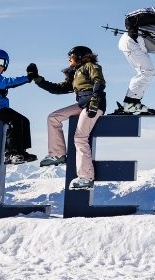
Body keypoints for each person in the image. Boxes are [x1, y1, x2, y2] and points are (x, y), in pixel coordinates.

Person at [27, 46, 106, 191]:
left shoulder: (90, 66)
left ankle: (86, 177)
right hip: (83, 104)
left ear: (81, 56)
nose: (69, 59)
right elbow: (57, 88)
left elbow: (99, 81)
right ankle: (57, 154)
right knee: (53, 117)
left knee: (80, 137)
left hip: (94, 103)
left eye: (72, 56)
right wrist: (38, 80)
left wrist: (95, 99)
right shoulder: (76, 73)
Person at [0, 49, 37, 164]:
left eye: (3, 63)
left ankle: (20, 151)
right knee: (14, 120)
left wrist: (29, 77)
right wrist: (28, 77)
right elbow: (8, 82)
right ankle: (10, 153)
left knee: (24, 121)